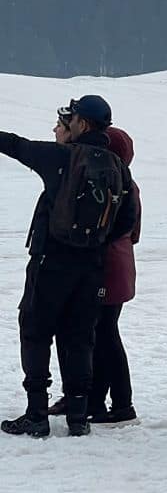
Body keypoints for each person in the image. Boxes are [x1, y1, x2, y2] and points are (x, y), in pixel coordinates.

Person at [0, 95, 136, 437]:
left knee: (35, 331)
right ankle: (78, 415)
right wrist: (95, 242)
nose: (68, 122)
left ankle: (36, 412)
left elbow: (18, 146)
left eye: (72, 118)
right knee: (79, 337)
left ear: (83, 124)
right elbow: (126, 222)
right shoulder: (119, 168)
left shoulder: (61, 156)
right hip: (91, 265)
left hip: (51, 262)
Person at [50, 123, 142, 425]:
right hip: (118, 264)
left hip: (108, 266)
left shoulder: (111, 183)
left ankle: (118, 404)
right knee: (98, 333)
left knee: (101, 334)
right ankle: (96, 399)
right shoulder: (124, 181)